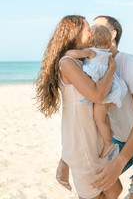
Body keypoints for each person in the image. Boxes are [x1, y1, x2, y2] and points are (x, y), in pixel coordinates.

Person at [56, 16, 133, 199]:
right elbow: (80, 117)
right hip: (114, 140)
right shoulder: (87, 64)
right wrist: (66, 160)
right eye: (90, 28)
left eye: (96, 27)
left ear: (112, 34)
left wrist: (119, 162)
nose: (91, 31)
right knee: (97, 189)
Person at [36, 15, 122, 199]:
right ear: (75, 34)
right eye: (87, 29)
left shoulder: (84, 60)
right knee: (98, 194)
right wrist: (112, 69)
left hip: (94, 141)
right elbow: (98, 95)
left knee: (114, 191)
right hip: (84, 146)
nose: (91, 32)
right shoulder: (67, 63)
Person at [65, 25, 127, 159]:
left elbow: (75, 54)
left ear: (91, 41)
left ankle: (107, 143)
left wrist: (67, 53)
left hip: (104, 91)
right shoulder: (107, 53)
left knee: (98, 118)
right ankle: (109, 131)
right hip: (112, 88)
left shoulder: (91, 52)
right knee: (103, 115)